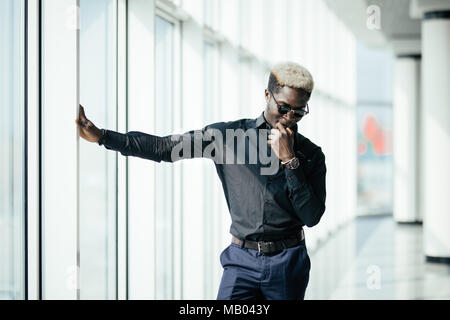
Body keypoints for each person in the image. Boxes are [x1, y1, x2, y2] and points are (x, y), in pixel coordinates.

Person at [75, 61, 326, 300]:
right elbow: (164, 147)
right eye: (283, 108)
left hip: (288, 261)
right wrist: (103, 136)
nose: (288, 118)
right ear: (266, 95)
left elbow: (311, 217)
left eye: (298, 112)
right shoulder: (227, 136)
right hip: (241, 260)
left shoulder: (311, 155)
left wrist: (290, 160)